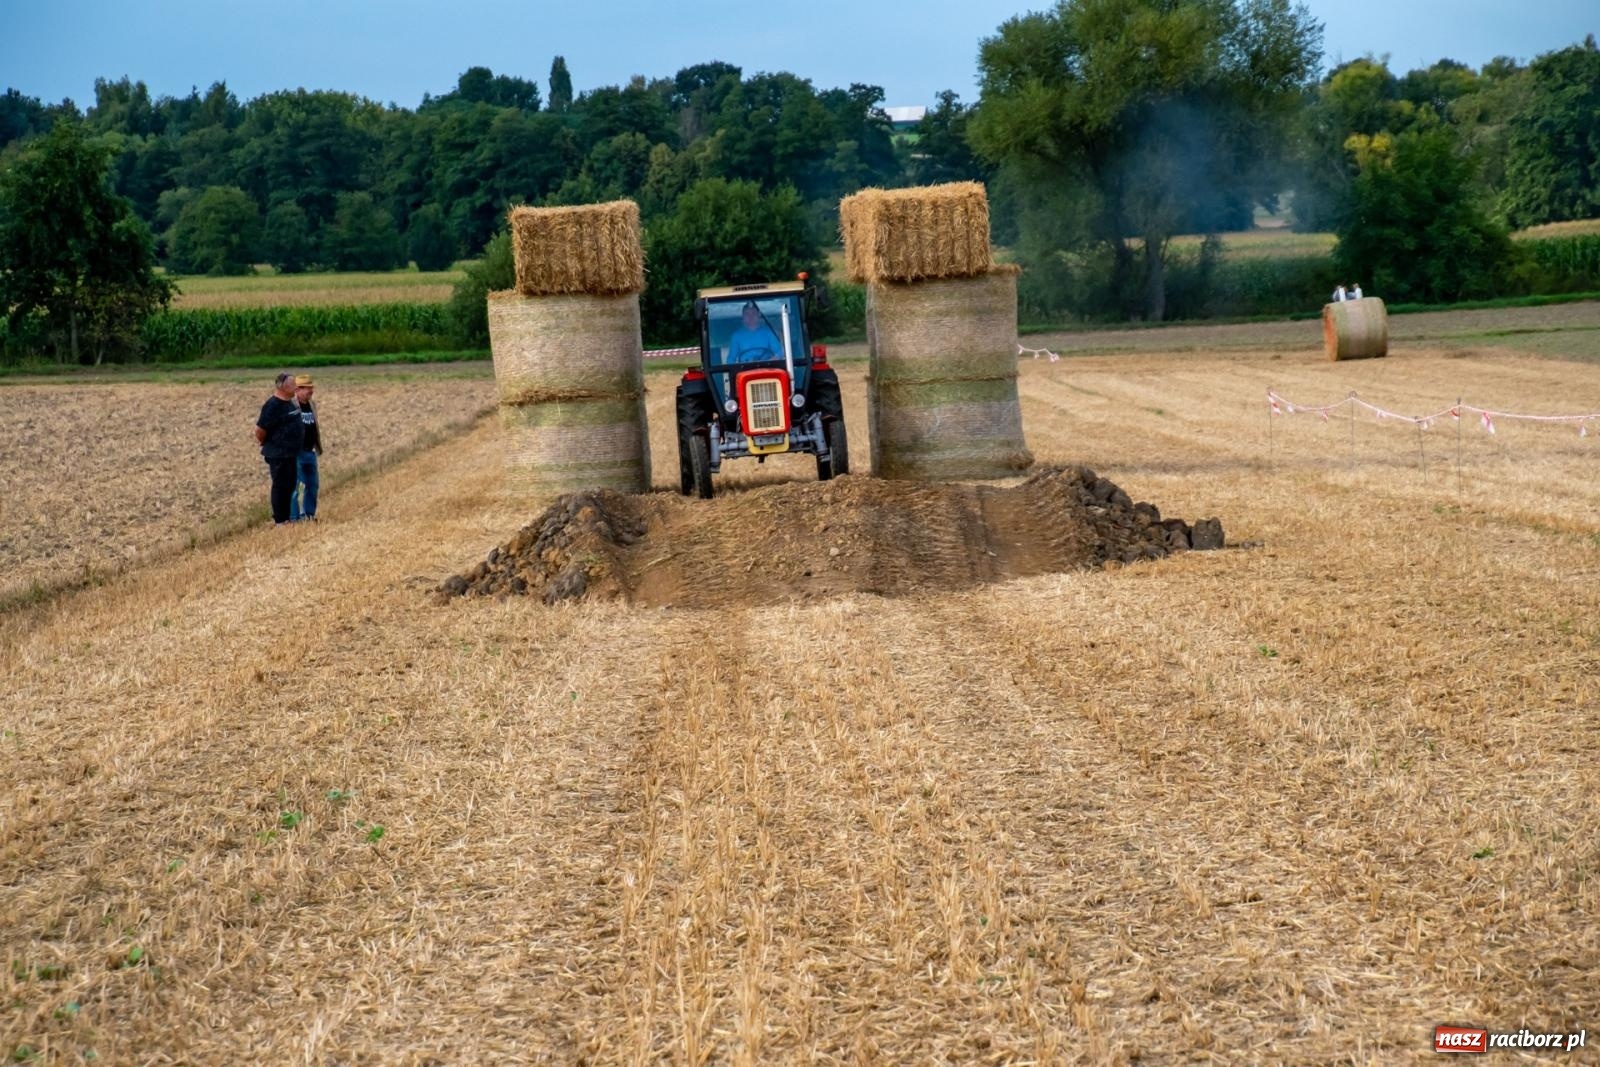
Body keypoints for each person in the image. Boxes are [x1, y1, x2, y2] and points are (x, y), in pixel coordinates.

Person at [255, 372, 305, 526]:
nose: (296, 387)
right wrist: (266, 442)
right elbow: (260, 430)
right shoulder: (272, 405)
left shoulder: (290, 403)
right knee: (280, 486)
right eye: (293, 384)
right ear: (283, 387)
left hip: (291, 453)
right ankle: (280, 521)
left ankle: (286, 518)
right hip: (278, 454)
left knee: (290, 485)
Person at [289, 374, 323, 522]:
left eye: (311, 387)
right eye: (307, 388)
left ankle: (309, 515)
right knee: (294, 487)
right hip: (296, 453)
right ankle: (294, 518)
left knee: (313, 485)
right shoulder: (290, 406)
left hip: (310, 451)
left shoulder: (311, 405)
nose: (311, 391)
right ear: (297, 390)